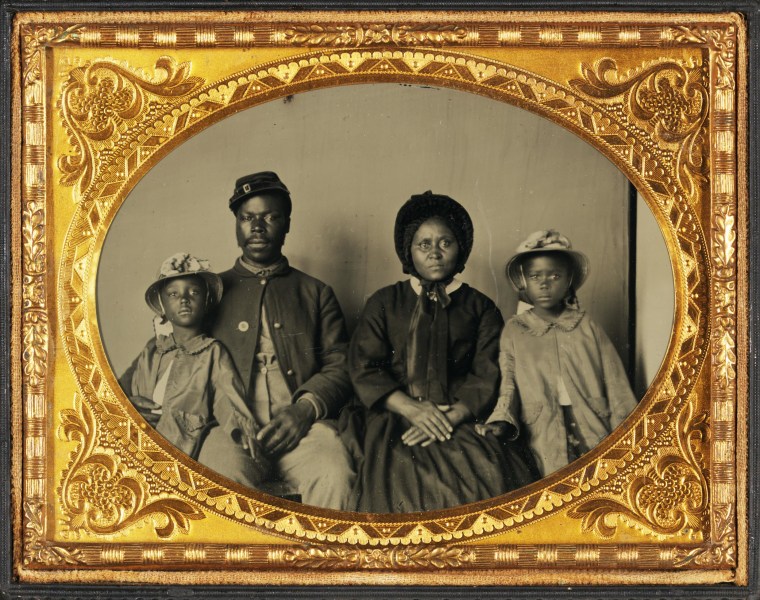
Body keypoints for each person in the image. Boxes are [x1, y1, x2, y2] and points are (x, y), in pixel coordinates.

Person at [347, 191, 535, 513]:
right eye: (424, 244)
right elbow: (365, 366)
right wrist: (411, 408)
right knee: (395, 481)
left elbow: (489, 370)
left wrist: (454, 415)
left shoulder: (480, 307)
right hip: (395, 414)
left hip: (459, 415)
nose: (435, 253)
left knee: (487, 475)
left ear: (460, 248)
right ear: (409, 250)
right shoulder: (383, 303)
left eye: (445, 243)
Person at [198, 171, 355, 510]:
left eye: (270, 217)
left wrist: (304, 409)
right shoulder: (210, 292)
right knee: (219, 479)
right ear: (237, 225)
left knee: (335, 473)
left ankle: (327, 562)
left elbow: (341, 364)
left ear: (286, 225)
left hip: (304, 428)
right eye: (247, 218)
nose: (258, 227)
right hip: (231, 428)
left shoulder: (315, 292)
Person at [476, 229, 638, 477]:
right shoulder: (515, 330)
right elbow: (508, 383)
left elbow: (615, 381)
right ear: (524, 282)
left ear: (568, 281)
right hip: (541, 428)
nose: (544, 283)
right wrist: (500, 419)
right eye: (535, 276)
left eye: (554, 275)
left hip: (592, 422)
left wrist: (627, 433)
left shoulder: (586, 325)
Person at [119, 253, 269, 487]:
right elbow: (119, 391)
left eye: (194, 293)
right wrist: (129, 404)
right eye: (174, 294)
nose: (184, 300)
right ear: (163, 306)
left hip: (183, 443)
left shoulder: (211, 352)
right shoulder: (153, 350)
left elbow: (226, 398)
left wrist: (241, 430)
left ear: (206, 302)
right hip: (140, 441)